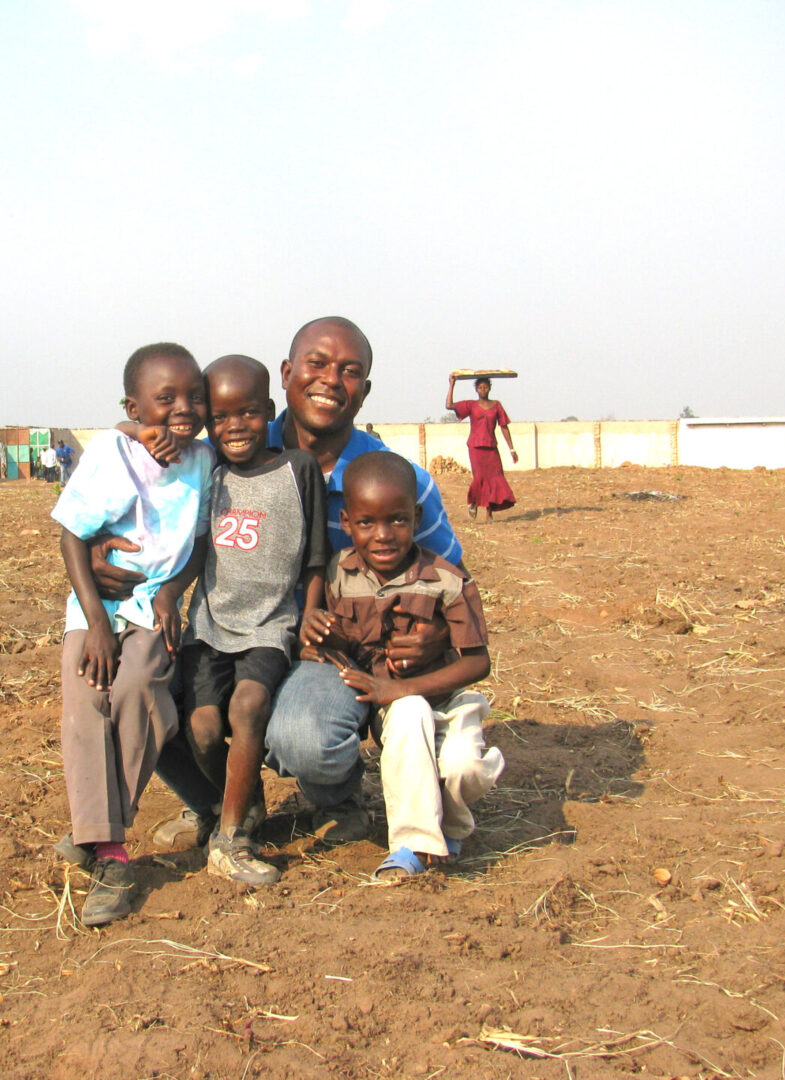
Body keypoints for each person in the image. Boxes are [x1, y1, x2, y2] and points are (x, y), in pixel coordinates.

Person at [94, 317, 464, 851]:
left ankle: (336, 798)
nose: (331, 380)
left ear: (365, 391)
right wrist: (94, 543)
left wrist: (437, 637)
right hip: (233, 629)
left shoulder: (394, 478)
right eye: (317, 364)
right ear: (287, 375)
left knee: (303, 738)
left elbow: (451, 583)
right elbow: (145, 441)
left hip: (330, 651)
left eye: (350, 371)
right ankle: (220, 807)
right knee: (143, 694)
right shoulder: (230, 442)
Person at [50, 343, 215, 926]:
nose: (183, 409)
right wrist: (96, 622)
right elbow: (72, 535)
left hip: (153, 609)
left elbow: (199, 542)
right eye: (165, 399)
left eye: (195, 396)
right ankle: (112, 851)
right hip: (98, 607)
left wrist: (172, 593)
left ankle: (96, 837)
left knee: (139, 692)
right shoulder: (111, 451)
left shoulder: (205, 457)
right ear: (134, 405)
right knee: (84, 704)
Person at [303, 452, 503, 880]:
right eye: (366, 523)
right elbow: (324, 642)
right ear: (346, 521)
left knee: (464, 767)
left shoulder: (447, 579)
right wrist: (322, 635)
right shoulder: (337, 578)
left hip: (449, 699)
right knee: (410, 713)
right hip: (397, 711)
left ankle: (452, 824)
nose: (382, 536)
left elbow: (478, 662)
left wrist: (401, 687)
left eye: (397, 520)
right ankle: (412, 844)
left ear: (416, 517)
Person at [177, 355, 329, 886]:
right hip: (210, 622)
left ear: (268, 410)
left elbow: (314, 557)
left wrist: (309, 615)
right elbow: (198, 551)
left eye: (247, 412)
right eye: (220, 416)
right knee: (201, 729)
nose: (234, 426)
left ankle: (232, 837)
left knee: (249, 704)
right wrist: (173, 602)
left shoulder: (297, 469)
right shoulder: (209, 473)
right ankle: (245, 802)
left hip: (270, 623)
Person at [446, 374, 517, 521]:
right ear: (476, 390)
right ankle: (473, 502)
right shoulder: (471, 405)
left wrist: (512, 449)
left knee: (495, 478)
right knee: (480, 478)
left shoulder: (497, 405)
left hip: (491, 447)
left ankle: (489, 513)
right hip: (475, 447)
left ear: (490, 388)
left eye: (485, 387)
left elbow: (504, 427)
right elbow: (449, 405)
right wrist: (452, 384)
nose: (483, 390)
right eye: (480, 387)